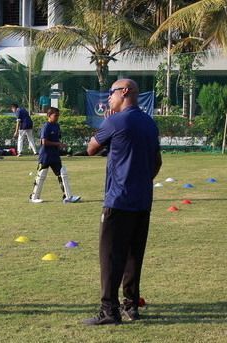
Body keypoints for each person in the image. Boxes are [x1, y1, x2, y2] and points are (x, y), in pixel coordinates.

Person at [84, 79, 162, 325]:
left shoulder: (115, 120)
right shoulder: (150, 123)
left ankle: (109, 310)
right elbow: (157, 162)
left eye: (111, 93)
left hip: (118, 201)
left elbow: (91, 149)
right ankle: (131, 305)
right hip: (142, 201)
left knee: (110, 257)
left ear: (125, 92)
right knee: (133, 256)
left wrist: (105, 123)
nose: (109, 98)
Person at [30, 107, 81, 204]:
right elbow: (44, 142)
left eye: (58, 115)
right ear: (49, 116)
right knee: (41, 176)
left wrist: (61, 146)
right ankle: (34, 197)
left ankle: (67, 197)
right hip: (45, 156)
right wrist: (58, 144)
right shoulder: (46, 126)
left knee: (62, 174)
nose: (57, 117)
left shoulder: (57, 126)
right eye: (55, 115)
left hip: (55, 156)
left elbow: (57, 140)